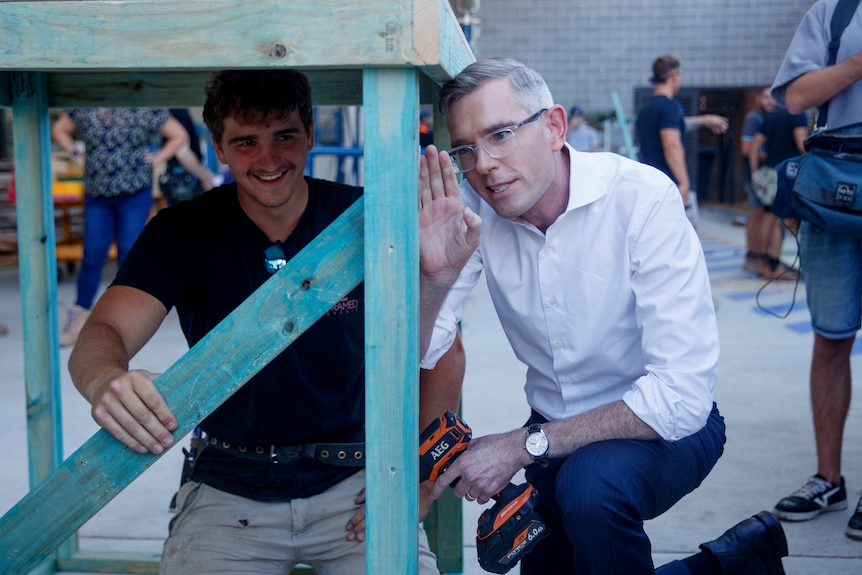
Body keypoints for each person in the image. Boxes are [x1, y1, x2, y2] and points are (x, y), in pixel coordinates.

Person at [67, 69, 455, 574]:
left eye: (285, 137)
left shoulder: (366, 218)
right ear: (219, 148)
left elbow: (444, 351)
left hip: (356, 484)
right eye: (246, 142)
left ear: (311, 134)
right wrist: (106, 381)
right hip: (228, 488)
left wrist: (419, 481)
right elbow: (104, 332)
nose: (269, 160)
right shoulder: (183, 231)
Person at [417, 57, 788, 575]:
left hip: (664, 430)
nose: (482, 164)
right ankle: (736, 564)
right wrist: (431, 280)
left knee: (590, 488)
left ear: (554, 127)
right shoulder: (478, 217)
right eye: (465, 149)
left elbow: (679, 396)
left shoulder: (642, 199)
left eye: (500, 134)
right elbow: (421, 350)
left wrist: (522, 448)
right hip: (550, 437)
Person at [768, 0, 862, 542]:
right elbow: (797, 96)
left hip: (833, 192)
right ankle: (829, 478)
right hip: (834, 195)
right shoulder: (833, 11)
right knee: (831, 339)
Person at [51, 108, 189, 347]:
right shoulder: (87, 103)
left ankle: (126, 319)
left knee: (129, 253)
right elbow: (59, 129)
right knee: (93, 254)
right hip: (98, 194)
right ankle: (80, 314)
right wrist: (75, 153)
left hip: (135, 193)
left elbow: (179, 135)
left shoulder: (143, 105)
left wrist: (158, 157)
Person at [635, 55, 728, 220]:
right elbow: (671, 144)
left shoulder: (646, 111)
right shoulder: (671, 108)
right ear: (675, 76)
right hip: (672, 186)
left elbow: (675, 125)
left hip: (651, 186)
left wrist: (704, 120)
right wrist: (683, 182)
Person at [748, 104, 808, 280]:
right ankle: (774, 265)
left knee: (768, 217)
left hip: (768, 173)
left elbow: (755, 145)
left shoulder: (771, 115)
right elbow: (802, 144)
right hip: (785, 173)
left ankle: (763, 263)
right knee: (782, 220)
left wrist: (754, 172)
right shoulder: (798, 114)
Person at [740, 87, 777, 273]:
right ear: (757, 99)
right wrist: (769, 155)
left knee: (761, 215)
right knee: (756, 215)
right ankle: (752, 256)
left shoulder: (768, 118)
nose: (770, 102)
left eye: (773, 98)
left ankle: (757, 256)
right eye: (766, 97)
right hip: (756, 177)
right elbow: (746, 148)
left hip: (763, 177)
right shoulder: (754, 119)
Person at [157, 108, 224, 207]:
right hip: (184, 179)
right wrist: (206, 178)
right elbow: (181, 152)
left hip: (183, 178)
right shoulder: (178, 112)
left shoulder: (175, 112)